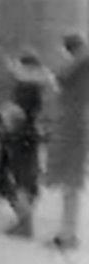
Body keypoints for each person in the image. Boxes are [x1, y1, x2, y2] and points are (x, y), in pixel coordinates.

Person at [0, 48, 55, 237]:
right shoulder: (41, 86)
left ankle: (25, 224)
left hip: (19, 135)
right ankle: (25, 221)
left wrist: (4, 120)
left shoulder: (25, 87)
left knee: (20, 179)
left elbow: (17, 112)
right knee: (29, 179)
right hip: (32, 135)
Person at [46, 33, 89, 249]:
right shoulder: (81, 63)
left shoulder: (80, 62)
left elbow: (59, 76)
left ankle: (68, 235)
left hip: (74, 128)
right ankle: (67, 233)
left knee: (70, 184)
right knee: (70, 184)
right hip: (74, 126)